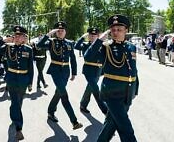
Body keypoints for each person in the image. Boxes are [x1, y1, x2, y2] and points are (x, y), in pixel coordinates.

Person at [85, 14, 139, 142]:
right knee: (126, 128)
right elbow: (88, 56)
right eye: (113, 30)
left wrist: (135, 90)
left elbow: (134, 70)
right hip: (112, 93)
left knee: (110, 125)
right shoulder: (106, 46)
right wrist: (99, 40)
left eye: (119, 29)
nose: (115, 32)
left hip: (127, 93)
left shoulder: (131, 47)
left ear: (126, 30)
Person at [37, 21, 83, 130]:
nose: (60, 32)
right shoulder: (51, 42)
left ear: (65, 32)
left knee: (58, 93)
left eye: (62, 30)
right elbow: (39, 45)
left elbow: (73, 58)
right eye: (58, 31)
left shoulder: (69, 43)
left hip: (66, 71)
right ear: (55, 32)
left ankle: (50, 111)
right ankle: (74, 121)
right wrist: (48, 35)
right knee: (64, 95)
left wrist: (74, 72)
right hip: (55, 70)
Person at [0, 25, 34, 141]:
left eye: (19, 35)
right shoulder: (7, 47)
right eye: (15, 35)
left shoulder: (28, 49)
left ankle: (14, 117)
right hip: (11, 78)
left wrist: (30, 83)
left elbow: (31, 68)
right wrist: (4, 41)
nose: (16, 37)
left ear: (24, 37)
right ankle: (19, 128)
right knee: (15, 102)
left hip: (23, 80)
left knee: (18, 102)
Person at [74, 27, 107, 115]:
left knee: (90, 88)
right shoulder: (85, 45)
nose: (92, 37)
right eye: (91, 35)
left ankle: (83, 105)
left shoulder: (102, 46)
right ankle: (105, 110)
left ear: (98, 36)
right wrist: (82, 37)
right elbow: (76, 46)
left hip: (98, 71)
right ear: (88, 36)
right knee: (96, 89)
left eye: (94, 35)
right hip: (88, 70)